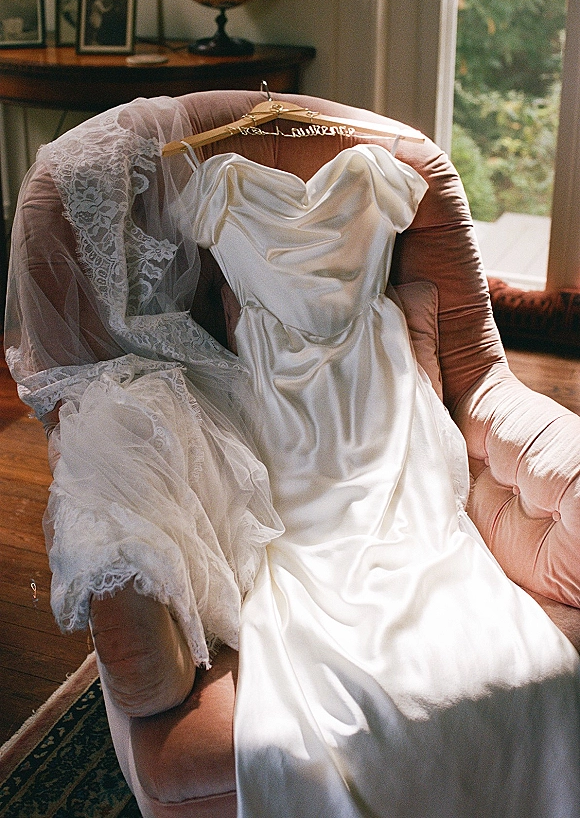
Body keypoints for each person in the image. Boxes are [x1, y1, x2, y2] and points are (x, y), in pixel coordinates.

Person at [5, 95, 580, 817]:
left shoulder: (352, 175)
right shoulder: (362, 175)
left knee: (424, 559)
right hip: (285, 411)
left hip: (374, 394)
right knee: (315, 571)